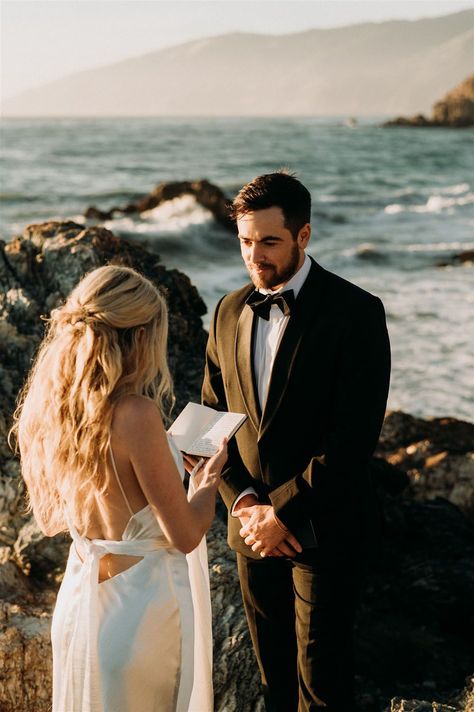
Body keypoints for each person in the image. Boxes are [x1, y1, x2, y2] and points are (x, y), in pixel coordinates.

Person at [200, 171, 391, 711]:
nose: (253, 255)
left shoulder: (356, 312)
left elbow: (354, 438)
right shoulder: (228, 311)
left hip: (325, 528)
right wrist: (242, 502)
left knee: (322, 686)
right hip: (250, 531)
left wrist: (282, 513)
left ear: (303, 236)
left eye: (268, 241)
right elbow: (212, 421)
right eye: (244, 241)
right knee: (271, 683)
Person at [9, 264, 227, 712]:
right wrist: (205, 481)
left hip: (81, 608)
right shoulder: (137, 414)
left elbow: (81, 508)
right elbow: (185, 535)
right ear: (142, 337)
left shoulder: (53, 410)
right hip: (139, 618)